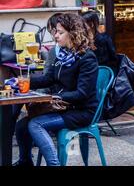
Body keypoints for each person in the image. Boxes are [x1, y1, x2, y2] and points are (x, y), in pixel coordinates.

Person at [14, 13, 99, 166]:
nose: (55, 36)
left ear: (73, 34)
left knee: (35, 124)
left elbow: (82, 93)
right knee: (21, 125)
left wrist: (54, 97)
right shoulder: (64, 55)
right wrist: (25, 82)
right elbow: (49, 79)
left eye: (60, 32)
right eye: (55, 32)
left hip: (81, 111)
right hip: (64, 107)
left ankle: (54, 164)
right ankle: (25, 161)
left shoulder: (87, 58)